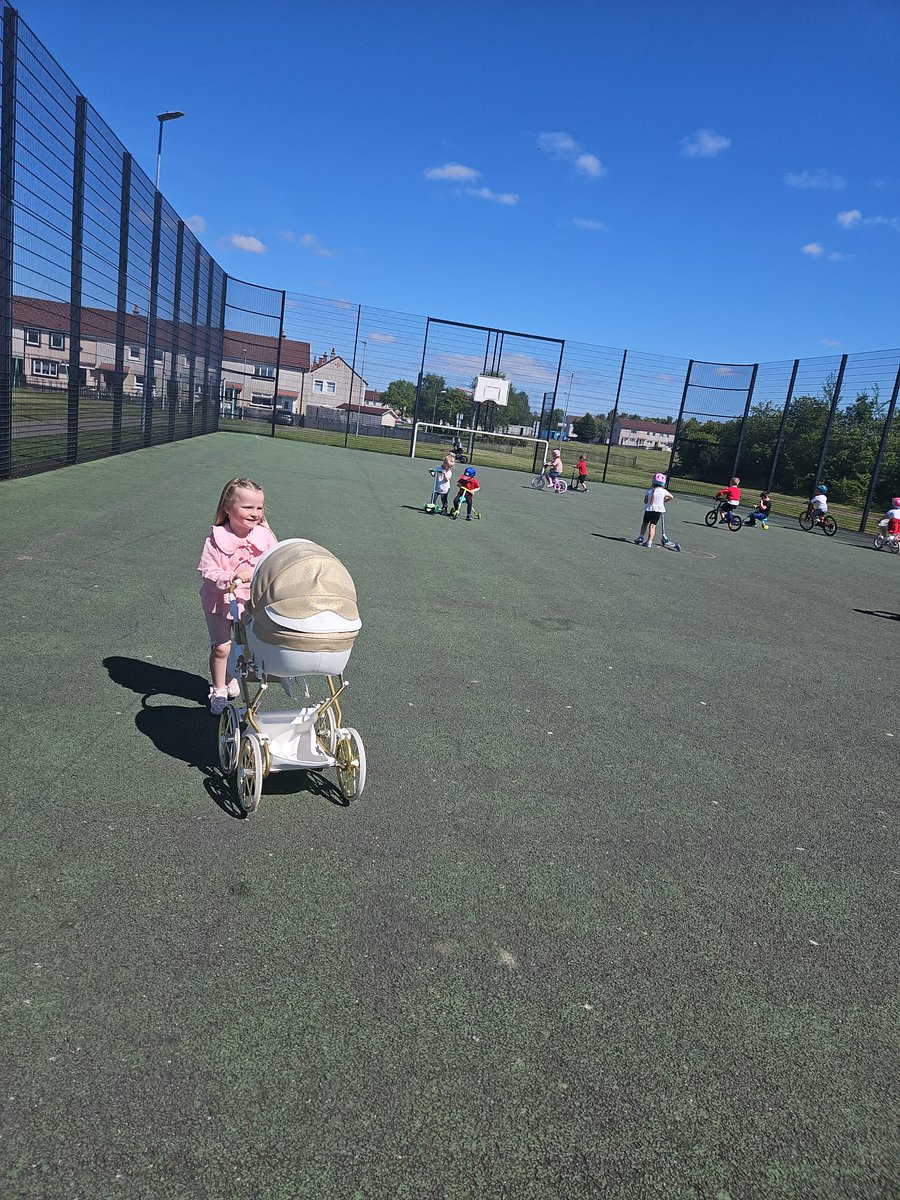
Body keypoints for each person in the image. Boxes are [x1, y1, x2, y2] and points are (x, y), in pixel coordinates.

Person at [198, 477, 278, 715]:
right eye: (247, 507)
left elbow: (275, 561)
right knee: (222, 647)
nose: (255, 513)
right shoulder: (216, 538)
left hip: (251, 600)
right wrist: (230, 577)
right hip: (220, 599)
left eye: (259, 508)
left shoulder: (264, 536)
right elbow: (207, 570)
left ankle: (233, 675)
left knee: (248, 647)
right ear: (227, 508)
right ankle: (219, 688)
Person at [634, 472, 673, 549]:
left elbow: (645, 501)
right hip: (658, 512)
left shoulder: (650, 491)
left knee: (644, 524)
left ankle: (641, 537)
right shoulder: (664, 491)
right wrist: (665, 500)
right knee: (652, 526)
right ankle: (649, 542)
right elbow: (671, 497)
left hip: (649, 510)